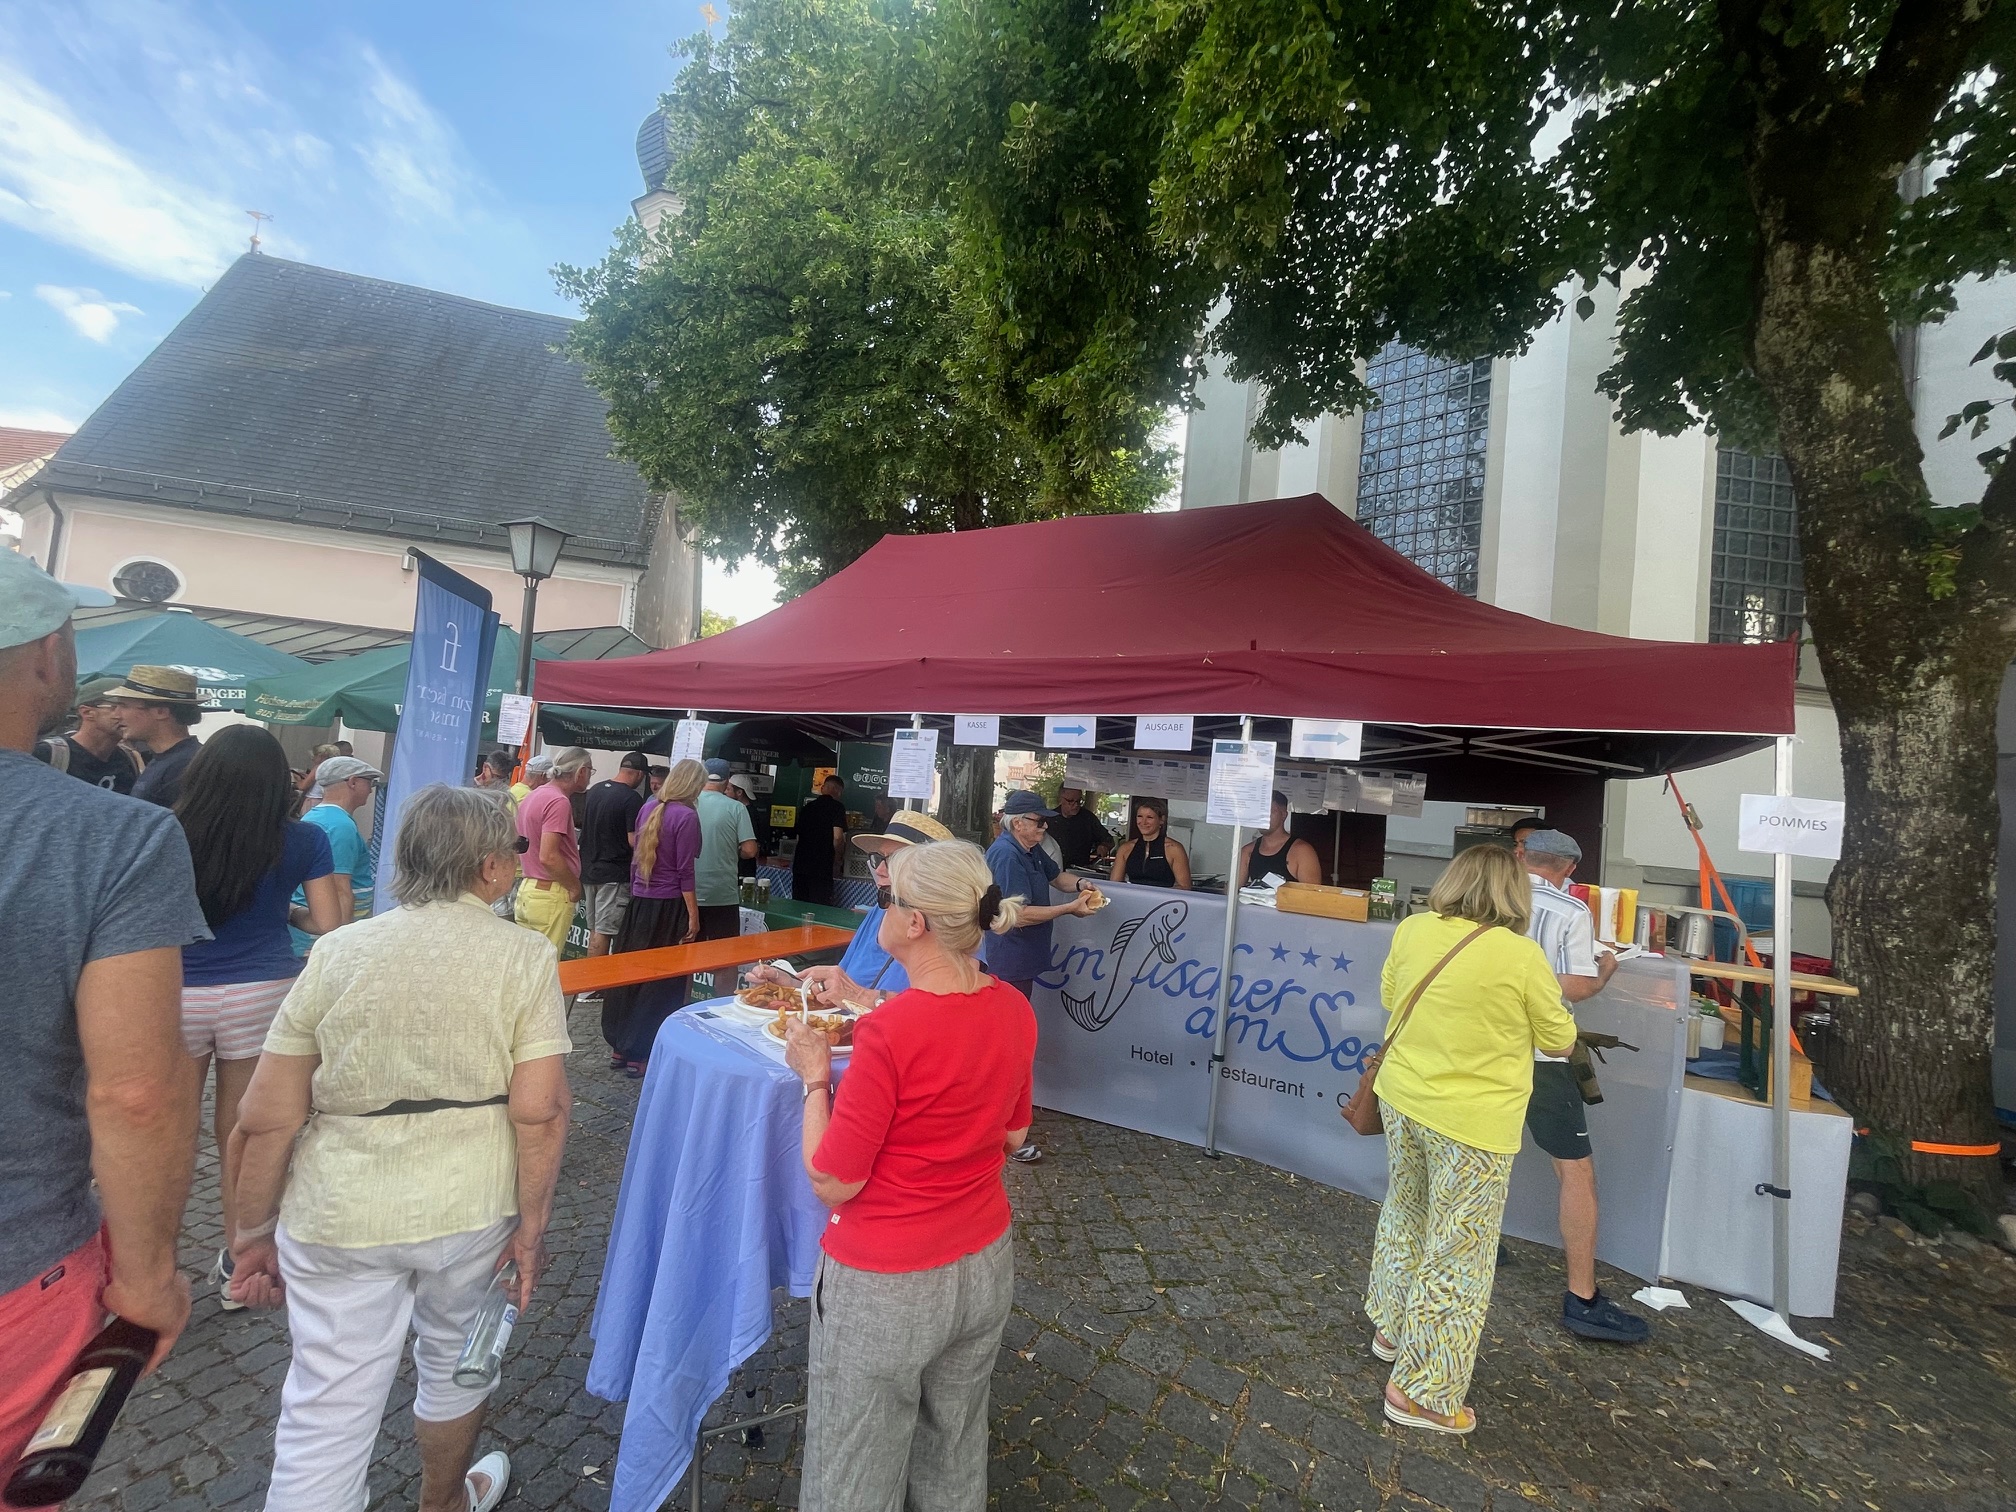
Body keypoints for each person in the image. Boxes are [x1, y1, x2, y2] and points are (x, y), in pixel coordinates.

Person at [226, 783, 572, 1512]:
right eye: (511, 851)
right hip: (471, 1200)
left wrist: (250, 1232)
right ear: (488, 867)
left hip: (338, 1204)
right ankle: (442, 1501)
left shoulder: (338, 951)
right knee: (458, 1363)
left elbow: (264, 1118)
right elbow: (540, 1110)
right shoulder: (523, 956)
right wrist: (533, 1229)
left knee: (326, 1401)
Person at [0, 552, 210, 1464]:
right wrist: (148, 1277)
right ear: (50, 653)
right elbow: (135, 1092)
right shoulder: (109, 835)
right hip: (19, 1267)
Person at [782, 839, 1035, 1512]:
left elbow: (832, 1181)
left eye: (889, 898)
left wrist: (814, 1081)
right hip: (984, 1260)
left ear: (915, 921)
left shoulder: (890, 1032)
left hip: (886, 1280)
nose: (881, 906)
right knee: (954, 1448)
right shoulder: (1013, 1006)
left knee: (853, 1473)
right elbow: (1014, 1135)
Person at [1364, 844, 1577, 1436]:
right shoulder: (1521, 955)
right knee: (1459, 1251)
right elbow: (1559, 1039)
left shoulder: (1412, 929)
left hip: (1402, 1097)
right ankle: (1422, 1393)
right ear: (1514, 892)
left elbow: (1390, 998)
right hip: (1472, 1122)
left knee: (1405, 1212)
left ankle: (1392, 1328)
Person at [174, 726, 347, 1310]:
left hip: (179, 990)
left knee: (172, 1134)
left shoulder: (168, 829)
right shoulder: (304, 839)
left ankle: (153, 1265)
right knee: (241, 1132)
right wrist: (287, 912)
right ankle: (238, 1260)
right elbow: (328, 924)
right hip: (261, 990)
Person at [1516, 828, 1647, 1344]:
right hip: (1541, 1053)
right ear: (1569, 869)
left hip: (1478, 1048)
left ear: (1522, 856)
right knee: (1575, 1170)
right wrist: (1606, 967)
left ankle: (1473, 1243)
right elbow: (1573, 985)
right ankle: (1582, 1297)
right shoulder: (1570, 910)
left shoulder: (1483, 896)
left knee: (1477, 1151)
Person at [984, 790, 1098, 1164]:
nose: (1045, 827)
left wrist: (1080, 885)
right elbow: (1016, 915)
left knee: (1011, 1043)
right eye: (1039, 821)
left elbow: (1057, 876)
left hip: (1022, 961)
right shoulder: (1006, 855)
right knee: (1007, 1045)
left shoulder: (1030, 849)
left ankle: (1002, 1126)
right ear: (1018, 823)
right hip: (1009, 961)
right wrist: (1069, 909)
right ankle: (1001, 1131)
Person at [747, 812, 956, 1010]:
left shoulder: (953, 929)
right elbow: (841, 987)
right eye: (879, 858)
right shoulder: (880, 911)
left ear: (931, 874)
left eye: (894, 860)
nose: (879, 870)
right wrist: (790, 985)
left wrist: (861, 997)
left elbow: (944, 1012)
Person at [600, 759, 704, 1076]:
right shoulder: (686, 816)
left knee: (630, 973)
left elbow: (636, 863)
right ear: (694, 786)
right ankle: (642, 1051)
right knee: (661, 982)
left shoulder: (648, 808)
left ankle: (620, 1045)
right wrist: (693, 915)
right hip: (669, 906)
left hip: (640, 904)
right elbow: (685, 871)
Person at [290, 755, 383, 954]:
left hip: (308, 933)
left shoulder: (314, 816)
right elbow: (340, 889)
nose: (371, 790)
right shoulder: (340, 826)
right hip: (321, 941)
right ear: (353, 782)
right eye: (370, 782)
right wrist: (341, 946)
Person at [514, 747, 592, 952]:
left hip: (528, 888)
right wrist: (574, 887)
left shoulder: (534, 795)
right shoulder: (558, 801)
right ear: (581, 771)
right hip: (550, 892)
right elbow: (548, 856)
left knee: (527, 962)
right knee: (546, 964)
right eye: (590, 771)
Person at [580, 751, 652, 958]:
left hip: (589, 870)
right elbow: (632, 839)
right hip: (614, 875)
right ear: (640, 774)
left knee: (594, 929)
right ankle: (597, 978)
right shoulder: (631, 798)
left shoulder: (595, 790)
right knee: (604, 931)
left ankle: (589, 976)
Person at [106, 664, 204, 807]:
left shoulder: (184, 766)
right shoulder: (169, 759)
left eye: (124, 706)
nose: (116, 715)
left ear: (161, 712)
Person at [35, 676, 144, 793]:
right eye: (117, 707)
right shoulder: (49, 754)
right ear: (87, 712)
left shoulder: (128, 759)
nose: (128, 715)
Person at [695, 758, 758, 940]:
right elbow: (750, 850)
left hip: (689, 891)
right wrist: (732, 850)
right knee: (724, 951)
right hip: (723, 893)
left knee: (687, 951)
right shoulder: (737, 808)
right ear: (727, 781)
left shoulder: (687, 803)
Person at [1240, 791, 1323, 887]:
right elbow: (1232, 889)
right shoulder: (1247, 851)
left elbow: (1312, 893)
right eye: (1260, 812)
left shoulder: (1301, 851)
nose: (1264, 817)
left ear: (1283, 815)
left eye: (1270, 811)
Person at [1110, 795, 1192, 890]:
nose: (1143, 822)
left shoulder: (1174, 849)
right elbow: (1114, 884)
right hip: (1132, 898)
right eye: (1140, 816)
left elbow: (1185, 887)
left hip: (1163, 899)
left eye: (1149, 817)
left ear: (1161, 820)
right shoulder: (1126, 848)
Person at [793, 773, 848, 906]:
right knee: (819, 908)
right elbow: (837, 837)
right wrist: (838, 858)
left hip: (801, 864)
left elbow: (798, 836)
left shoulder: (807, 808)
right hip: (822, 867)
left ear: (823, 789)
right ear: (839, 792)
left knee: (798, 906)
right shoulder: (837, 808)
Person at [1048, 788, 1113, 871]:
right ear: (1060, 799)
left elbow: (1108, 840)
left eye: (1079, 801)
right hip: (1051, 869)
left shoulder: (1088, 818)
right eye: (1070, 801)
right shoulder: (1049, 818)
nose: (1076, 805)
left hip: (1080, 870)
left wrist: (1104, 846)